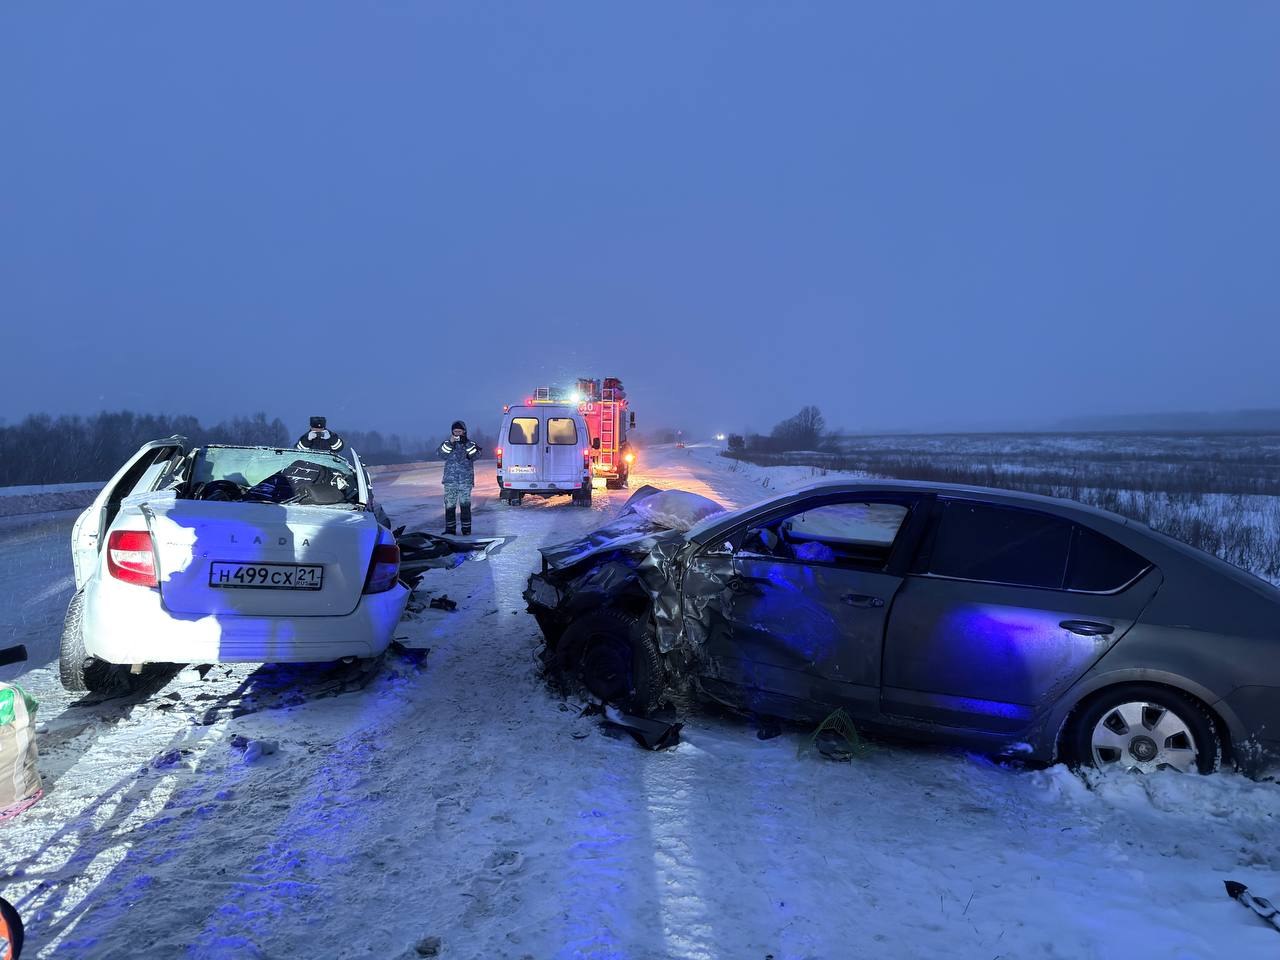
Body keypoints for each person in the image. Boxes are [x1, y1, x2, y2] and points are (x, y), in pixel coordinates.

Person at [439, 420, 481, 535]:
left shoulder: (470, 444)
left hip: (465, 481)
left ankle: (466, 530)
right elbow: (441, 454)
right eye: (455, 431)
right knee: (449, 506)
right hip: (450, 481)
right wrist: (450, 443)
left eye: (459, 431)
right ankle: (450, 530)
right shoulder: (447, 443)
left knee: (465, 505)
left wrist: (466, 443)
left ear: (464, 432)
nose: (457, 434)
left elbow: (476, 455)